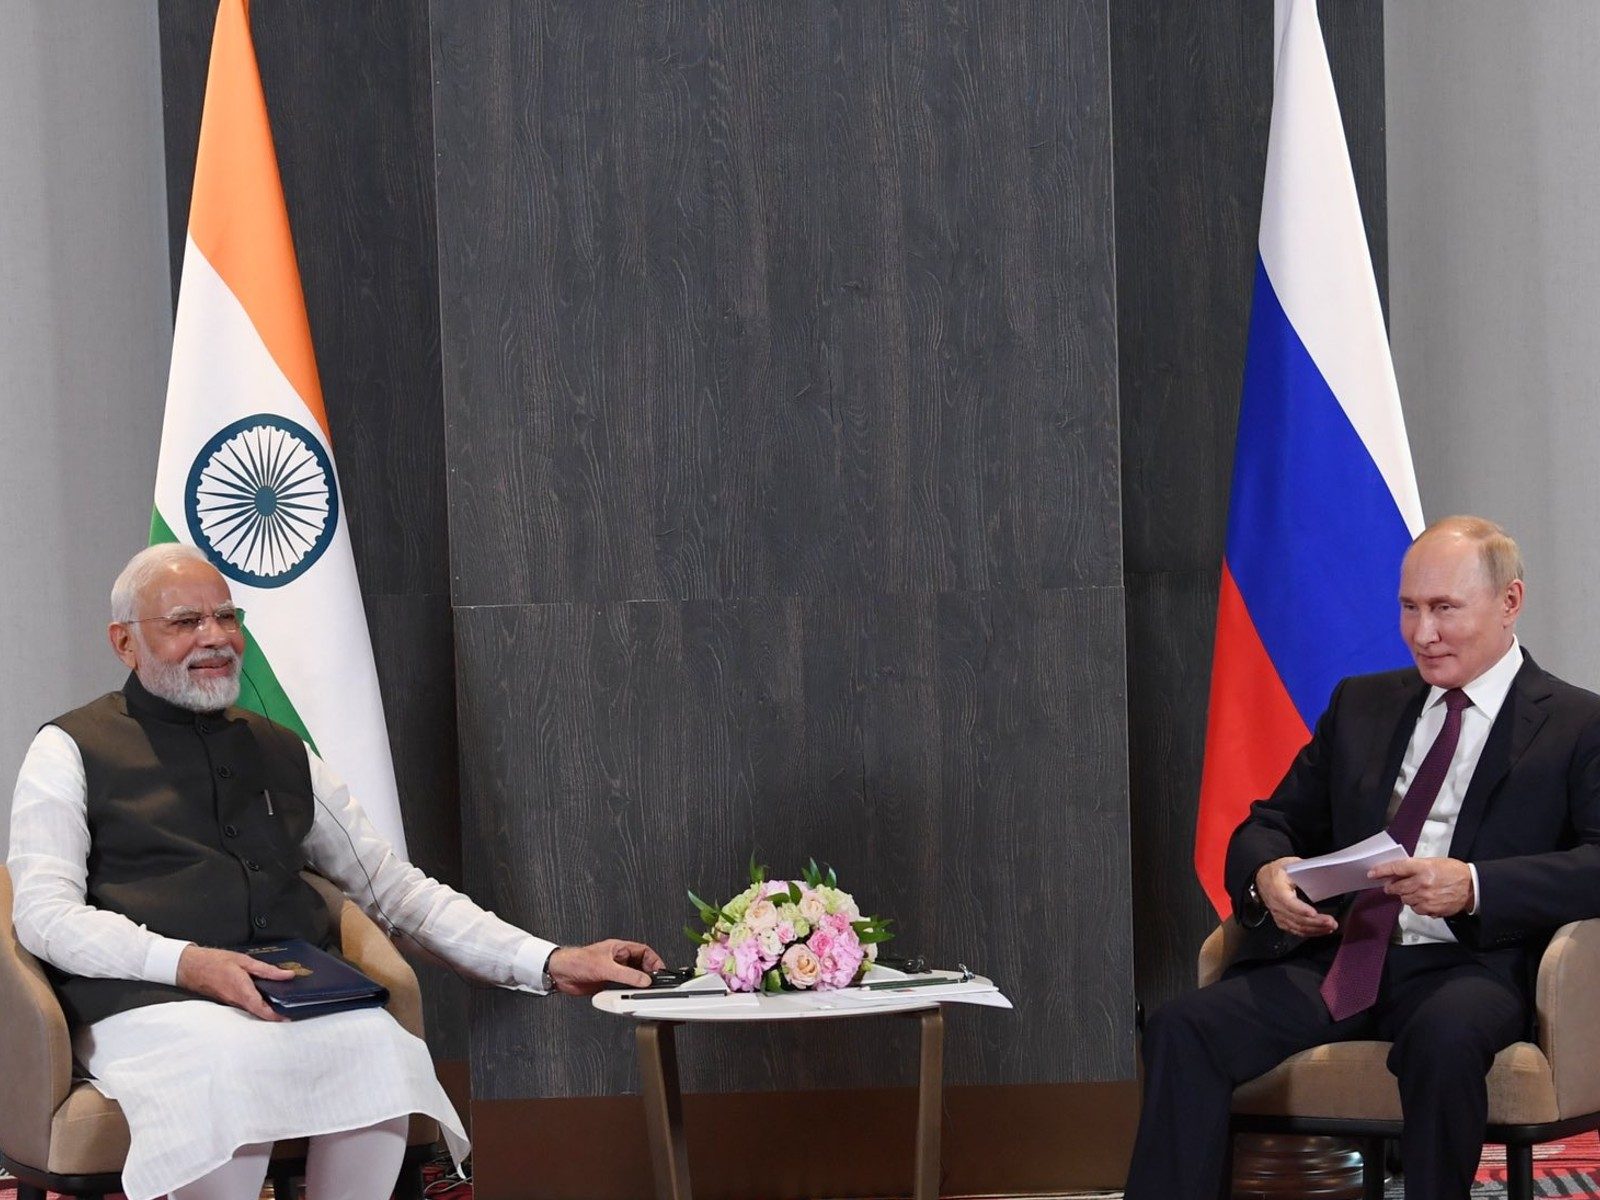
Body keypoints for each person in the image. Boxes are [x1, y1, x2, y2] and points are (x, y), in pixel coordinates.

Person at [7, 543, 665, 1200]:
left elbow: (395, 891)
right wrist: (188, 965)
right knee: (226, 1063)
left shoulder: (281, 750)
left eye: (226, 617)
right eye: (186, 622)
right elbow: (44, 915)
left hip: (289, 995)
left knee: (380, 1050)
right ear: (124, 642)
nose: (215, 638)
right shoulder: (68, 748)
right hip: (149, 1002)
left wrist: (550, 961)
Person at [1126, 516, 1600, 1200]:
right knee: (1182, 1026)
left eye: (1445, 609)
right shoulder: (1362, 704)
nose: (1422, 633)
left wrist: (1473, 885)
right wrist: (1266, 876)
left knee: (1444, 1039)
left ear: (1510, 602)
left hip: (1472, 966)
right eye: (1409, 608)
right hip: (1342, 957)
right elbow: (1271, 822)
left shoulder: (1578, 724)